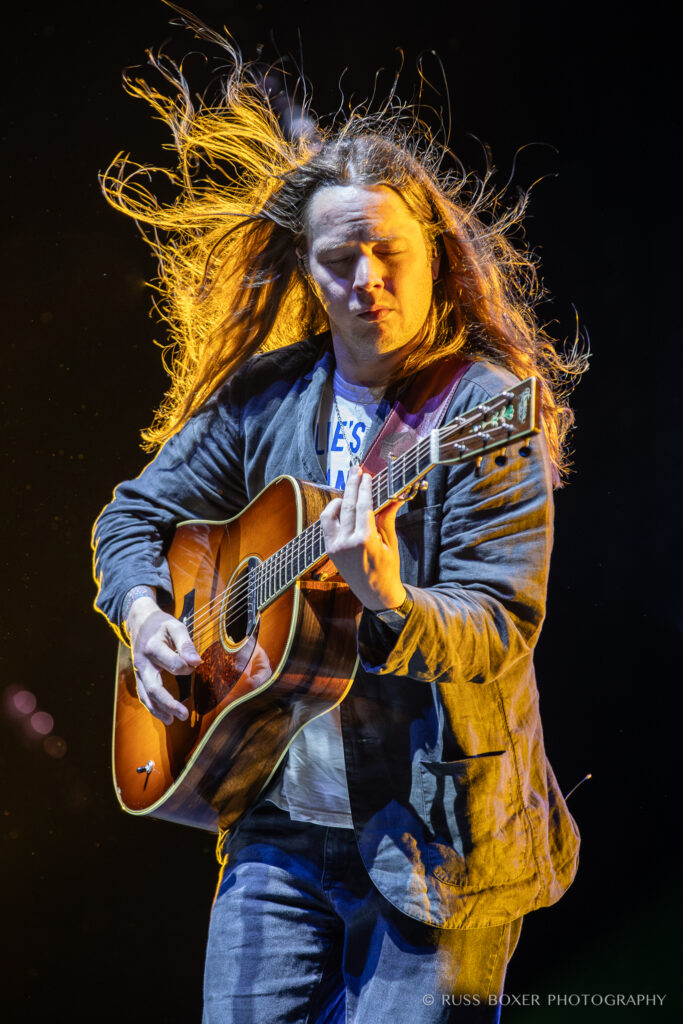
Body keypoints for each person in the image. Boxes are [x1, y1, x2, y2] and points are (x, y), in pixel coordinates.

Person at [92, 14, 583, 1023]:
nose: (366, 281)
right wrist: (144, 618)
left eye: (387, 251)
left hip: (434, 846)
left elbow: (499, 624)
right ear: (306, 273)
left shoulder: (481, 412)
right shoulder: (268, 397)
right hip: (274, 824)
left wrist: (388, 597)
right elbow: (132, 517)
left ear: (433, 252)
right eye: (337, 260)